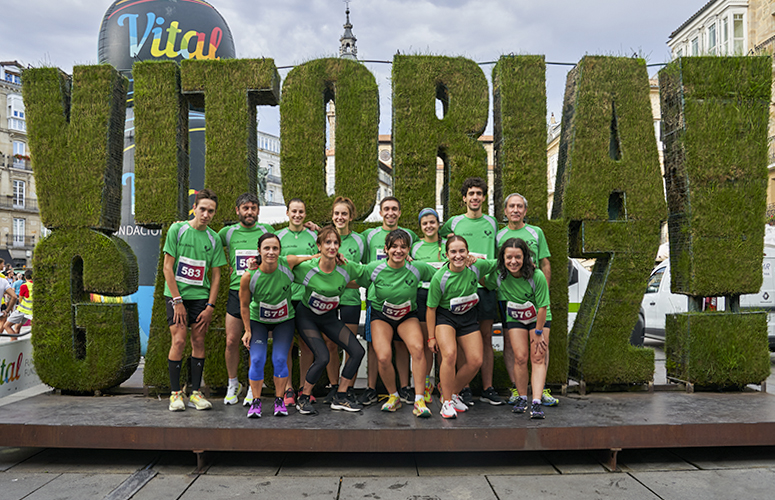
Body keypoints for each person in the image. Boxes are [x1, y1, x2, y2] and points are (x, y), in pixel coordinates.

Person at [355, 229, 436, 417]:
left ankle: (419, 399)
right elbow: (353, 275)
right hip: (381, 315)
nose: (398, 251)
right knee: (383, 356)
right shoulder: (374, 267)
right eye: (394, 247)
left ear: (409, 250)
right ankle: (394, 396)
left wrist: (467, 262)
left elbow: (441, 275)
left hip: (407, 315)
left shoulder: (417, 267)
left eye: (403, 247)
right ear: (386, 249)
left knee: (417, 348)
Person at [239, 233, 318, 418]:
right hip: (258, 321)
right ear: (259, 251)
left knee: (280, 359)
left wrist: (331, 255)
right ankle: (256, 402)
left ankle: (279, 400)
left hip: (284, 320)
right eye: (267, 248)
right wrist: (247, 330)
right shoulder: (249, 276)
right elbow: (243, 305)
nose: (271, 252)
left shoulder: (287, 263)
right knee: (257, 359)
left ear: (280, 250)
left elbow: (313, 258)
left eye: (275, 248)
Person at [439, 177, 503, 406]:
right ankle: (462, 388)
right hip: (460, 289)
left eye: (479, 193)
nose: (475, 197)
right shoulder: (454, 223)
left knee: (485, 338)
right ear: (464, 198)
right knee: (460, 339)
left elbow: (498, 257)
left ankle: (487, 388)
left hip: (484, 287)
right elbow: (438, 239)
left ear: (484, 198)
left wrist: (480, 262)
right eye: (470, 193)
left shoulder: (493, 223)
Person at [164, 188, 227, 412]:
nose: (206, 214)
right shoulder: (177, 229)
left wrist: (210, 306)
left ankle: (195, 393)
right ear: (194, 208)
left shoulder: (214, 238)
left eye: (211, 211)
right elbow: (167, 268)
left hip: (201, 298)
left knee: (198, 342)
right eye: (203, 209)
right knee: (179, 341)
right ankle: (174, 395)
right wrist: (177, 300)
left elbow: (216, 275)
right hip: (176, 297)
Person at [292, 226, 366, 415]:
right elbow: (281, 265)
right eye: (327, 242)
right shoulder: (307, 269)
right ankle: (304, 397)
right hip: (306, 316)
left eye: (335, 243)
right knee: (323, 356)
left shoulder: (345, 267)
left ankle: (340, 396)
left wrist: (403, 260)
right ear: (319, 246)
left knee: (357, 351)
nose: (332, 246)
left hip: (328, 318)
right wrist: (256, 261)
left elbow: (370, 272)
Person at [496, 193, 557, 407]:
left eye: (519, 206)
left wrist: (542, 293)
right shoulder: (498, 235)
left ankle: (541, 390)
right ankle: (517, 389)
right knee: (512, 345)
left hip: (534, 298)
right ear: (505, 211)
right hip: (507, 299)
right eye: (511, 206)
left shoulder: (536, 232)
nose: (515, 210)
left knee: (540, 346)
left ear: (525, 210)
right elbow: (492, 265)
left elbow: (545, 263)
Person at [426, 235, 496, 419]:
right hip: (445, 318)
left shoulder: (476, 267)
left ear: (468, 252)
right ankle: (447, 402)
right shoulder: (439, 278)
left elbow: (499, 262)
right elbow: (431, 309)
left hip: (469, 317)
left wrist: (529, 262)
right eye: (453, 252)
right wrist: (431, 337)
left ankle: (452, 393)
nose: (458, 255)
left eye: (462, 251)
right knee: (449, 354)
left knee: (475, 361)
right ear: (446, 254)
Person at [359, 197, 420, 406]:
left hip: (403, 299)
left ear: (400, 212)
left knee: (402, 345)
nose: (391, 212)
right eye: (387, 209)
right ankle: (371, 387)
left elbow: (423, 256)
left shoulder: (410, 235)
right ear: (380, 211)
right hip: (377, 299)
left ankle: (404, 388)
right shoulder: (368, 235)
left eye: (395, 208)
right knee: (375, 347)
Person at [485, 238, 551, 419]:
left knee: (537, 357)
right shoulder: (499, 275)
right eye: (508, 258)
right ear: (502, 259)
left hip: (538, 318)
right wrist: (472, 262)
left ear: (525, 257)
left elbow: (543, 307)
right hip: (515, 317)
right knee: (520, 357)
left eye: (518, 257)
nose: (513, 262)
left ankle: (536, 402)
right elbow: (484, 281)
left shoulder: (536, 276)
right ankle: (522, 397)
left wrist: (538, 333)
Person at [219, 192, 274, 406]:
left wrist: (313, 227)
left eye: (253, 208)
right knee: (231, 341)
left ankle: (253, 386)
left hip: (259, 292)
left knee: (254, 344)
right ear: (237, 211)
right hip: (236, 292)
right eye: (245, 208)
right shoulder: (228, 232)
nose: (249, 212)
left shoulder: (267, 231)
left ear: (258, 210)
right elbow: (202, 234)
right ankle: (233, 383)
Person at [275, 198, 318, 407]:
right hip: (284, 297)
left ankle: (304, 388)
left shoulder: (313, 235)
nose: (298, 215)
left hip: (306, 298)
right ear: (287, 213)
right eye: (294, 211)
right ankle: (288, 388)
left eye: (301, 211)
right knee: (285, 346)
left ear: (305, 214)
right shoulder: (280, 236)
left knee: (306, 345)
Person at [324, 197, 367, 403]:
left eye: (344, 214)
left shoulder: (360, 240)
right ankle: (333, 386)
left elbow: (364, 273)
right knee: (330, 344)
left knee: (350, 346)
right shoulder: (323, 237)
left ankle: (347, 387)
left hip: (350, 299)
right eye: (337, 213)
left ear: (351, 217)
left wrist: (346, 284)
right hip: (328, 300)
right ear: (332, 216)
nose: (340, 217)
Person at [412, 208, 447, 403]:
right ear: (420, 226)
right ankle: (426, 384)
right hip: (422, 296)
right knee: (427, 343)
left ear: (438, 223)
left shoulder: (447, 244)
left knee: (442, 345)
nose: (429, 226)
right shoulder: (415, 247)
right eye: (425, 223)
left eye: (432, 222)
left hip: (443, 297)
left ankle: (444, 383)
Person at [4, 269, 31, 336]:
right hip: (30, 311)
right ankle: (17, 340)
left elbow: (20, 299)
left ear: (25, 277)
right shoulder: (36, 286)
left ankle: (14, 339)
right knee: (17, 327)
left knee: (6, 326)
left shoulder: (24, 285)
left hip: (22, 309)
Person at [0, 259, 18, 333]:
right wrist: (7, 311)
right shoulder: (3, 280)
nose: (4, 266)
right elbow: (14, 296)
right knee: (3, 321)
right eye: (3, 264)